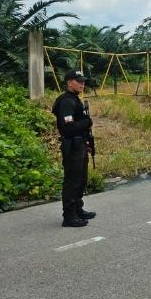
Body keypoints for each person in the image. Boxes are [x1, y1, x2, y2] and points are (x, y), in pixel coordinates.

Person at [52, 69, 96, 227]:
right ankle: (69, 216)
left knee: (81, 179)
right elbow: (67, 128)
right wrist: (86, 123)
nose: (82, 84)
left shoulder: (75, 99)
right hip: (72, 145)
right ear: (69, 82)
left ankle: (78, 208)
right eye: (78, 81)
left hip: (80, 144)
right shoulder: (66, 102)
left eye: (83, 81)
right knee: (72, 181)